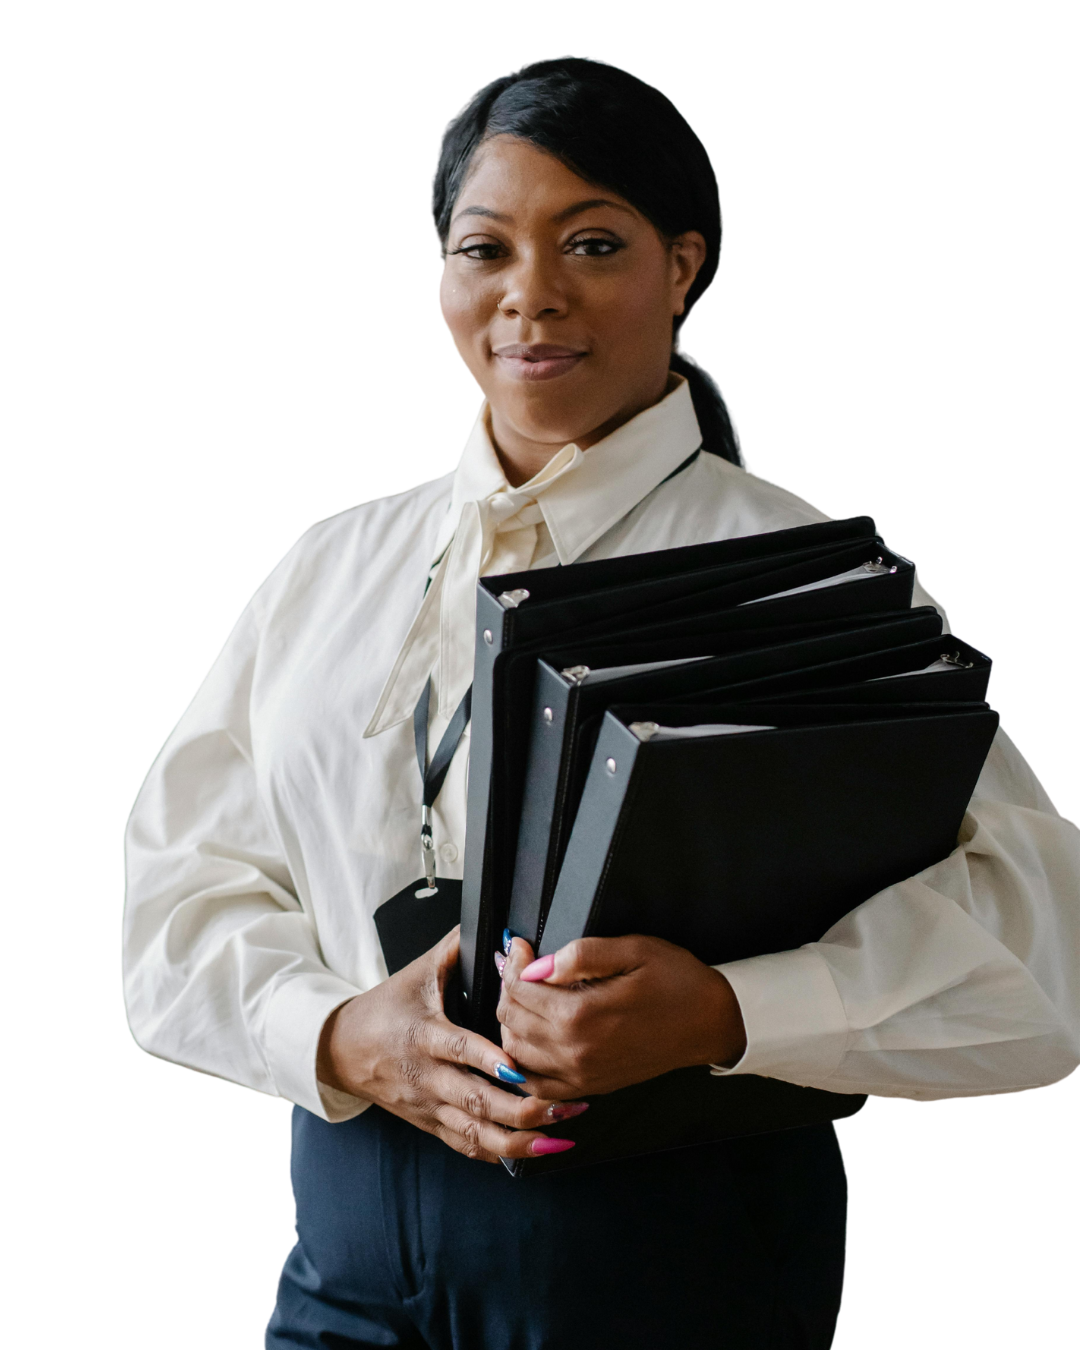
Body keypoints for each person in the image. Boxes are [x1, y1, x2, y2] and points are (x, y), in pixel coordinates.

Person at [121, 57, 1080, 1350]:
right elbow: (176, 887)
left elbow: (1036, 945)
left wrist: (731, 1010)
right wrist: (340, 1033)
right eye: (485, 249)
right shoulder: (331, 564)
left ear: (683, 267)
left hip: (668, 1266)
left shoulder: (806, 580)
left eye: (592, 243)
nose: (532, 294)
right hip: (343, 1263)